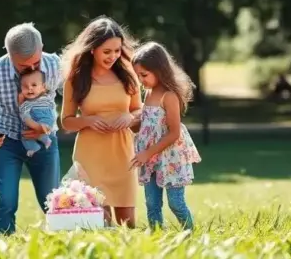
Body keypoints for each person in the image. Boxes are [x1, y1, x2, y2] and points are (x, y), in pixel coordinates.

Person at [0, 23, 63, 236]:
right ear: (8, 54)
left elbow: (75, 94)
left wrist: (51, 126)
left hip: (44, 142)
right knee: (6, 201)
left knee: (52, 200)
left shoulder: (55, 65)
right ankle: (3, 245)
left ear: (42, 47)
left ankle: (62, 242)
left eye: (36, 62)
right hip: (6, 143)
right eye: (22, 66)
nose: (31, 69)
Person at [60, 17, 141, 227]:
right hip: (90, 156)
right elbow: (66, 122)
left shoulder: (129, 74)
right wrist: (87, 120)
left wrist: (130, 117)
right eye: (107, 51)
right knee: (98, 222)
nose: (113, 56)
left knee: (128, 224)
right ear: (92, 49)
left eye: (117, 50)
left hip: (122, 154)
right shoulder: (75, 79)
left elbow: (141, 111)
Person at [130, 42, 202, 230]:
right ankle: (156, 236)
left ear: (159, 70)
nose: (140, 80)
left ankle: (191, 234)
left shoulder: (168, 96)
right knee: (152, 204)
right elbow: (147, 127)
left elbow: (174, 133)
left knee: (175, 203)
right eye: (138, 75)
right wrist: (132, 123)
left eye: (144, 75)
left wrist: (148, 153)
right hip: (151, 160)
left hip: (170, 158)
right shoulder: (148, 94)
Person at [18, 68, 58, 157]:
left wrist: (20, 103)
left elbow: (24, 115)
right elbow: (24, 114)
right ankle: (43, 141)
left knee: (26, 133)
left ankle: (35, 146)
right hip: (44, 122)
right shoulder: (27, 103)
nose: (30, 88)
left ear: (43, 87)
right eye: (25, 86)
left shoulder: (42, 99)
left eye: (34, 85)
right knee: (26, 134)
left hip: (43, 121)